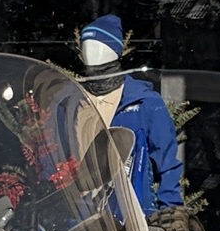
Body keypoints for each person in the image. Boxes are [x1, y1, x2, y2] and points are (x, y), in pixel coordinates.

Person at [77, 15, 183, 219]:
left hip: (132, 218)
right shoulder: (74, 101)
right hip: (79, 219)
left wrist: (170, 214)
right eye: (86, 46)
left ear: (114, 50)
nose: (90, 51)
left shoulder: (145, 103)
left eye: (99, 45)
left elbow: (167, 163)